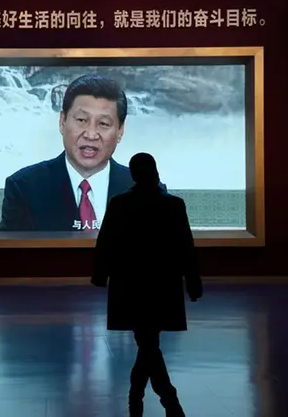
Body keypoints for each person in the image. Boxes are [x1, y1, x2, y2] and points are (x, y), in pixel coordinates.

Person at [91, 152, 202, 417]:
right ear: (155, 170)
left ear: (132, 174)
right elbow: (186, 246)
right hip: (163, 285)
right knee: (149, 342)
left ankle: (143, 399)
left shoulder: (119, 204)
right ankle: (166, 402)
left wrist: (100, 275)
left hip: (129, 285)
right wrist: (193, 281)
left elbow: (105, 242)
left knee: (147, 342)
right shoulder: (174, 204)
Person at [0, 74, 166, 232]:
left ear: (120, 131)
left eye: (103, 123)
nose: (91, 134)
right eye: (81, 120)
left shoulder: (151, 192)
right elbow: (11, 259)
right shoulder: (24, 188)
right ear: (62, 122)